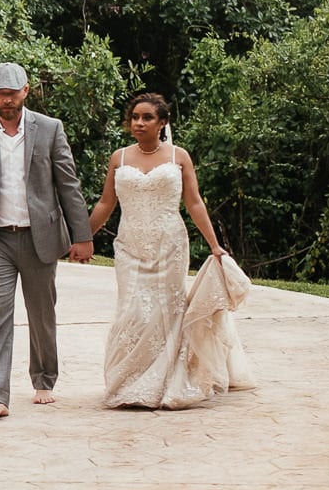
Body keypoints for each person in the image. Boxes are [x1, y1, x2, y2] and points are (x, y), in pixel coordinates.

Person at [87, 92, 256, 409]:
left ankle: (168, 379)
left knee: (168, 311)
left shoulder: (179, 156)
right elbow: (106, 203)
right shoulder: (119, 158)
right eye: (135, 117)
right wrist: (81, 238)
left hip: (170, 245)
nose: (139, 122)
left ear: (162, 122)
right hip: (130, 246)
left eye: (147, 117)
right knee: (132, 310)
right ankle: (128, 381)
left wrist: (214, 245)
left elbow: (194, 203)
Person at [0, 62, 95, 420]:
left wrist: (82, 237)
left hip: (40, 238)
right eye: (1, 94)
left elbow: (69, 185)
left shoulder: (49, 129)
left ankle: (44, 380)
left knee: (42, 315)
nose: (7, 100)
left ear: (26, 91)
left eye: (13, 93)